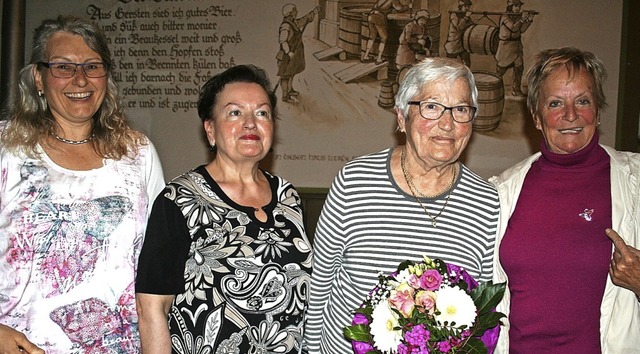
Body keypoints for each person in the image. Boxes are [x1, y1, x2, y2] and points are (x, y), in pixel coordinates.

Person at [305, 57, 500, 353]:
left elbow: (481, 311)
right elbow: (320, 282)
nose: (447, 124)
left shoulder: (485, 200)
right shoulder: (355, 181)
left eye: (461, 109)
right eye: (431, 107)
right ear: (401, 117)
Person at [0, 15, 165, 353]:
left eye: (92, 66)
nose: (80, 79)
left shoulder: (138, 154)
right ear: (38, 78)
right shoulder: (6, 148)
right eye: (62, 66)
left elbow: (158, 266)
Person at [135, 65, 313, 353]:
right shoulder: (179, 201)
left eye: (262, 113)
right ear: (210, 129)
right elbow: (152, 308)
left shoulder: (288, 196)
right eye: (235, 113)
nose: (251, 123)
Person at [490, 47, 640, 353]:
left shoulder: (637, 181)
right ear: (536, 116)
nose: (570, 115)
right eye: (555, 103)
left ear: (597, 110)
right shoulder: (502, 190)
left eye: (582, 101)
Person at [276, 3, 319, 103]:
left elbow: (302, 21)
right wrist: (288, 52)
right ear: (291, 13)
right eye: (295, 11)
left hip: (293, 55)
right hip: (286, 56)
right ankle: (285, 96)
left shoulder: (293, 22)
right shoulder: (285, 26)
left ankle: (290, 90)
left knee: (291, 73)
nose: (297, 12)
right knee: (285, 76)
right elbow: (283, 41)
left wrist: (313, 13)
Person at [494, 0, 535, 97]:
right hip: (506, 47)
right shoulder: (505, 17)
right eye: (515, 6)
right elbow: (513, 28)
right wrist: (522, 19)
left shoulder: (518, 17)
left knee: (519, 68)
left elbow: (521, 30)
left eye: (519, 6)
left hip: (516, 46)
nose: (518, 8)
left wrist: (529, 20)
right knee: (501, 70)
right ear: (510, 7)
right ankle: (493, 88)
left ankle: (516, 90)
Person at [361, 0, 411, 65]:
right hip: (378, 17)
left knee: (372, 36)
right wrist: (407, 7)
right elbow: (399, 9)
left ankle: (366, 56)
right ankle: (379, 58)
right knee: (384, 38)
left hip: (371, 15)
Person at [444, 0, 473, 67]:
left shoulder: (466, 16)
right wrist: (466, 17)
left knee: (467, 64)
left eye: (468, 7)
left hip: (463, 44)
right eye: (465, 6)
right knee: (450, 65)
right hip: (454, 43)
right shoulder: (454, 15)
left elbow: (470, 26)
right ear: (461, 6)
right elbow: (459, 27)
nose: (467, 8)